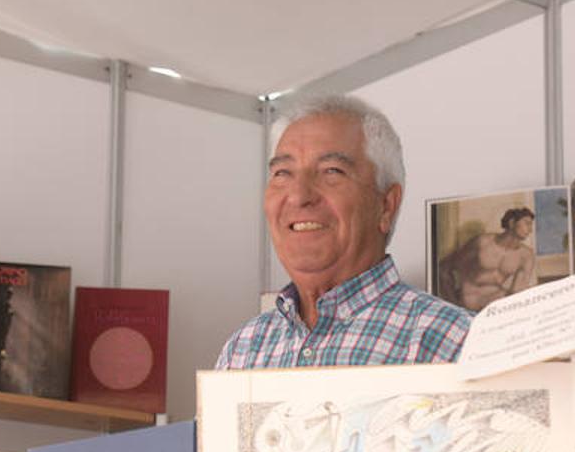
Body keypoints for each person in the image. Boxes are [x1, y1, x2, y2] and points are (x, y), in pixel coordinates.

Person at [217, 94, 469, 369]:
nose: (299, 195)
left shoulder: (457, 343)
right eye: (282, 173)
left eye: (331, 171)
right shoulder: (243, 348)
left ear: (386, 205)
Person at [436, 207, 537, 312]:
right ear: (512, 223)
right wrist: (453, 305)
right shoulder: (483, 243)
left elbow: (517, 293)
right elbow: (444, 269)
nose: (530, 230)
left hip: (496, 309)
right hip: (468, 304)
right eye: (527, 223)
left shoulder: (526, 256)